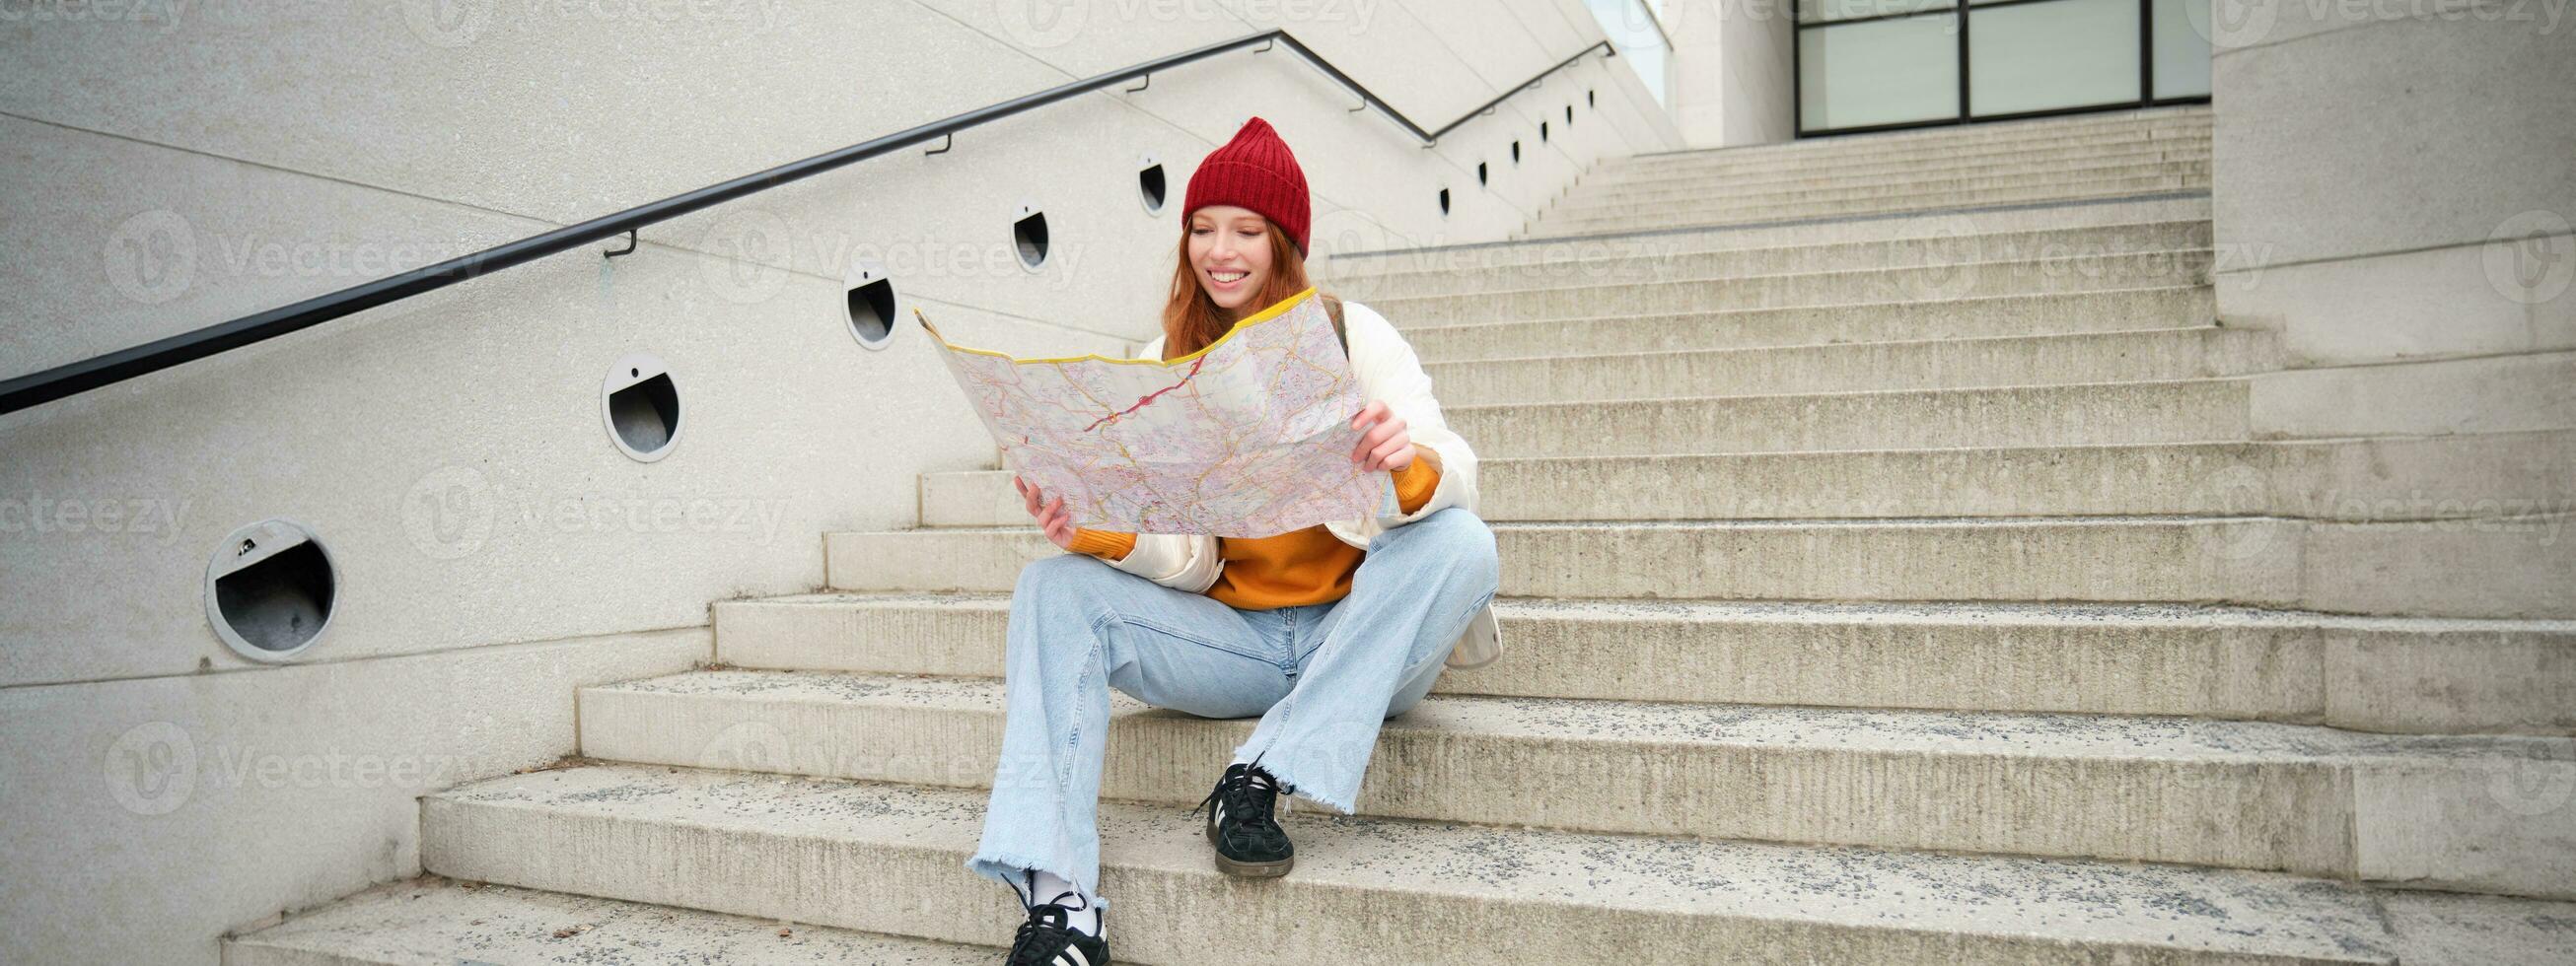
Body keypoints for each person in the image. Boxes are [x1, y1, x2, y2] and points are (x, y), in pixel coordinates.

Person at [964, 116, 1502, 966]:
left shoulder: (1355, 335)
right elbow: (1191, 561)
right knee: (1051, 587)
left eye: (1247, 230)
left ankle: (1259, 773)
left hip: (1357, 636)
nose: (1222, 250)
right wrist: (1098, 531)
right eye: (1203, 228)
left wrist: (1410, 468)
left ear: (1284, 242)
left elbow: (1461, 471)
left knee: (1465, 543)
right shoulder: (1164, 361)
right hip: (1234, 643)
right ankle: (1061, 903)